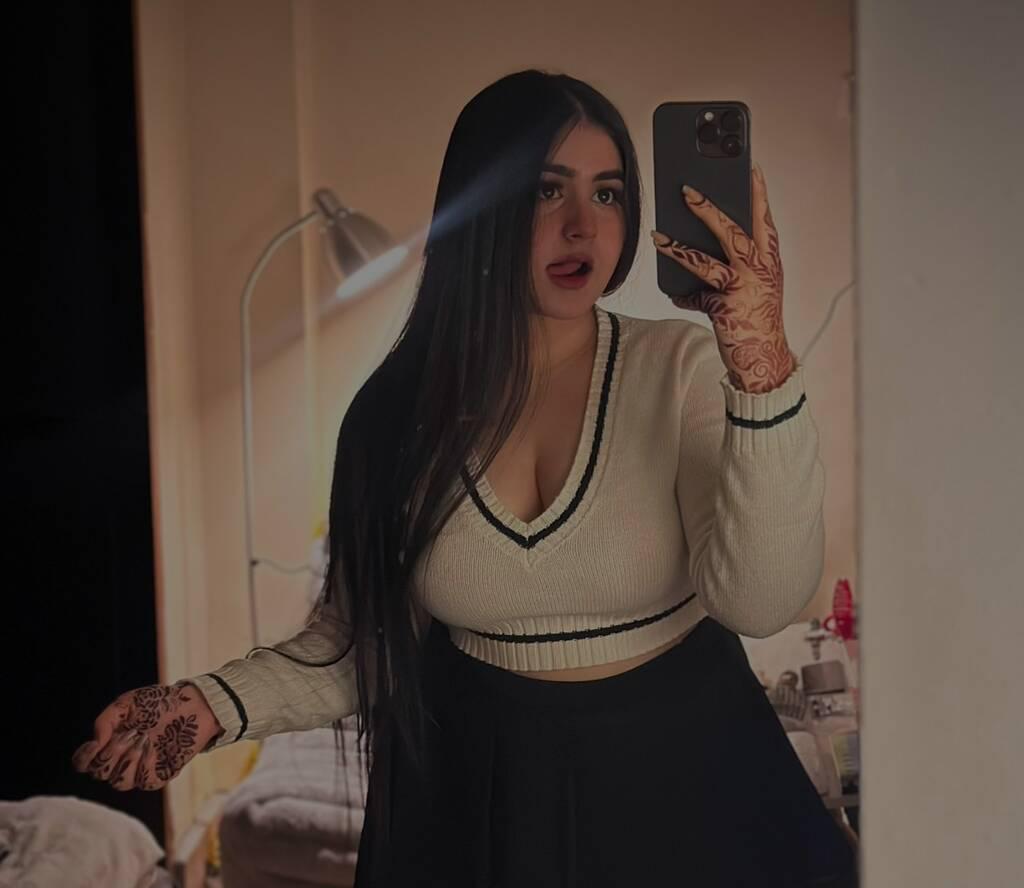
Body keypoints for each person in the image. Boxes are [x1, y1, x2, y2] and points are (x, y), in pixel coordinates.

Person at [73, 69, 858, 887]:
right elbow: (358, 643)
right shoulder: (392, 413)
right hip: (476, 804)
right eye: (547, 190)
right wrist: (208, 705)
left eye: (608, 193)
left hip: (693, 795)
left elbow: (760, 602)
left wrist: (761, 363)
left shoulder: (684, 368)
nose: (583, 226)